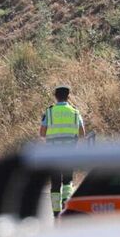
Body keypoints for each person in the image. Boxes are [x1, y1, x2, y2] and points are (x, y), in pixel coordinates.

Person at [39, 85, 85, 216]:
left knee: (55, 182)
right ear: (68, 96)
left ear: (55, 96)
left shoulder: (49, 111)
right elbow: (82, 133)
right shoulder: (75, 111)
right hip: (69, 151)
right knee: (68, 179)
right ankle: (66, 203)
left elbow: (42, 133)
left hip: (53, 152)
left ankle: (55, 211)